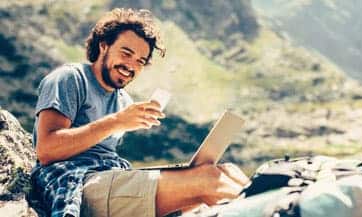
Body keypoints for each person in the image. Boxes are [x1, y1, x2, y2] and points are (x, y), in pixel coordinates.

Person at [29, 8, 249, 217]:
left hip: (109, 179)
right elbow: (47, 150)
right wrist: (116, 122)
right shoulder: (70, 78)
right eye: (126, 53)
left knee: (224, 172)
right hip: (73, 183)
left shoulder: (123, 100)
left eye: (140, 61)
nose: (131, 65)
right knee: (207, 180)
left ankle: (272, 199)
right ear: (104, 46)